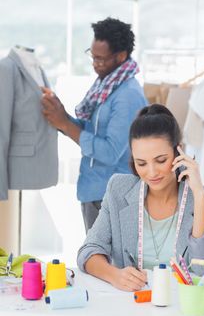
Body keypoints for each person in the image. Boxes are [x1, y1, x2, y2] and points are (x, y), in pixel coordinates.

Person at [77, 104, 204, 316]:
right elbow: (89, 251)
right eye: (141, 163)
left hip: (181, 315)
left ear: (179, 153)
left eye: (161, 160)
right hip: (130, 308)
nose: (151, 172)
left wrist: (197, 193)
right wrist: (115, 275)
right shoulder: (119, 189)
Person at [41, 17, 147, 232]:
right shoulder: (107, 85)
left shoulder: (127, 96)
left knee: (103, 263)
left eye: (101, 59)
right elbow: (92, 131)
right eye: (93, 56)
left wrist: (66, 124)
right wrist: (62, 116)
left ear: (121, 56)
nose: (95, 64)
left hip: (111, 196)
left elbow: (109, 151)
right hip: (95, 191)